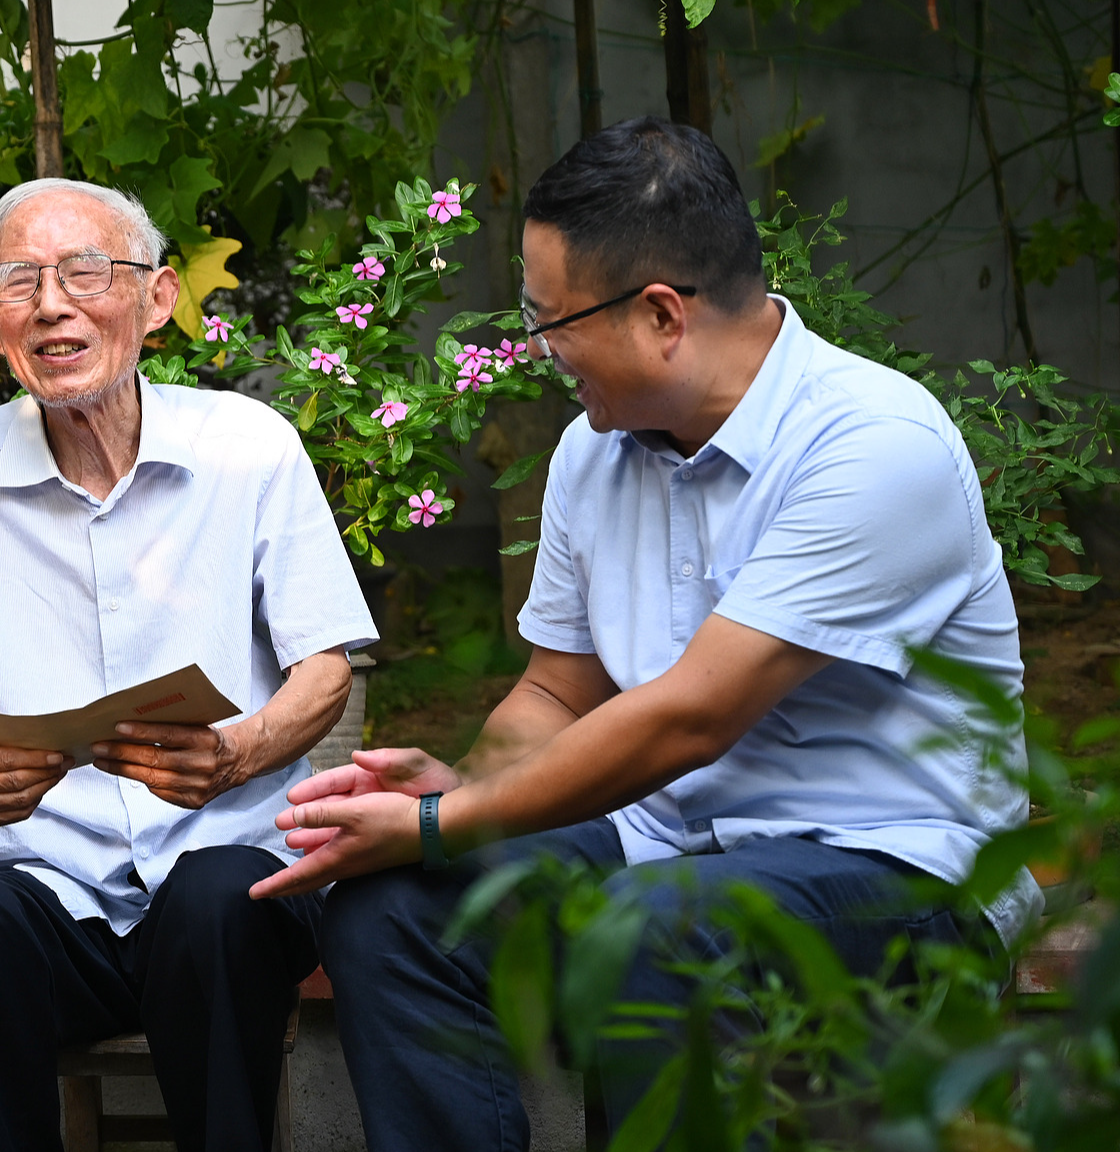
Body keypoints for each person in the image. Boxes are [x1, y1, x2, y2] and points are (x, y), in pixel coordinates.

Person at [249, 117, 1036, 1150]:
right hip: (664, 848)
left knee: (653, 929)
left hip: (898, 869)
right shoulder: (593, 453)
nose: (534, 354)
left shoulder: (872, 446)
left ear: (660, 314)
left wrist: (452, 824)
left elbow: (688, 718)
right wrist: (460, 793)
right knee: (393, 917)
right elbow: (556, 693)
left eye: (546, 321)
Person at [0, 177, 377, 1152]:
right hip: (47, 887)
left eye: (85, 272)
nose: (51, 304)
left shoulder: (248, 448)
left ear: (157, 298)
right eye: (20, 282)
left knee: (217, 903)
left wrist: (240, 752)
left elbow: (323, 669)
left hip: (225, 880)